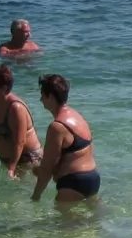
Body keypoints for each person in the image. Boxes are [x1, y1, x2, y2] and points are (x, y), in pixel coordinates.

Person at [31, 74, 99, 203]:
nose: (41, 99)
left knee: (63, 223)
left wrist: (36, 196)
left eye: (42, 95)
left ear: (50, 97)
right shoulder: (77, 116)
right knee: (91, 222)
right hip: (92, 178)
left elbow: (48, 168)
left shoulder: (57, 127)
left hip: (73, 183)